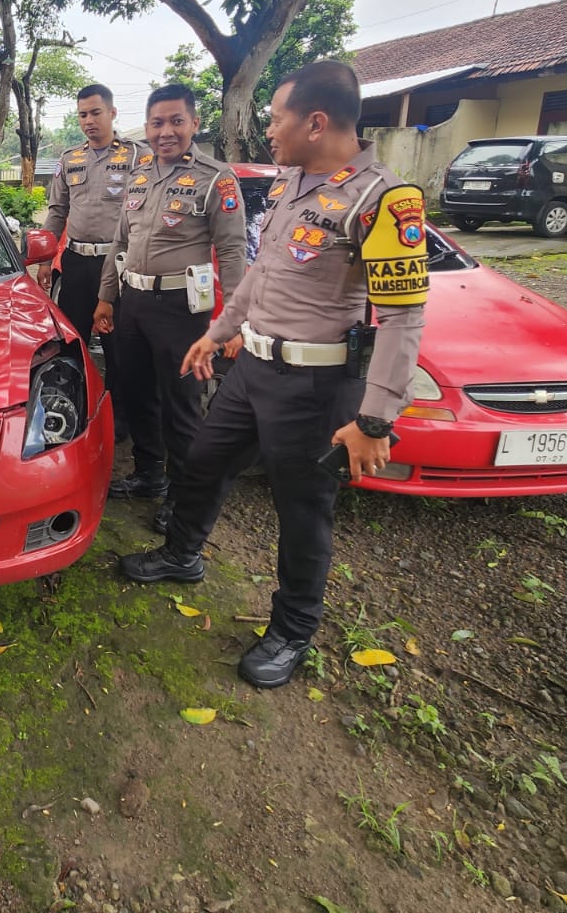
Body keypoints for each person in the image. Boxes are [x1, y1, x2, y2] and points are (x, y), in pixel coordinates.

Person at [118, 60, 429, 691]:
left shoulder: (383, 200)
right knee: (204, 460)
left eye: (276, 117)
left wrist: (374, 420)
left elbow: (403, 319)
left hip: (315, 386)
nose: (268, 128)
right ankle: (182, 554)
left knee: (302, 510)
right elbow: (259, 274)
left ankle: (292, 630)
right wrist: (218, 332)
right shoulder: (293, 184)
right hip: (253, 368)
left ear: (315, 122)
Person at [94, 84, 247, 529]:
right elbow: (120, 242)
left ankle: (183, 498)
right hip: (134, 303)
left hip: (181, 310)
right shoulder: (140, 175)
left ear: (194, 123)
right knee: (138, 392)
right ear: (146, 127)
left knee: (181, 405)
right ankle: (149, 475)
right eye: (157, 123)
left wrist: (233, 321)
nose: (166, 132)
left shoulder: (216, 178)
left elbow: (232, 251)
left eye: (176, 121)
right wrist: (106, 297)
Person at [38, 84, 145, 441]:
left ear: (112, 113)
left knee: (119, 348)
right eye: (83, 114)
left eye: (96, 113)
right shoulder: (70, 159)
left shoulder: (136, 156)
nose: (89, 121)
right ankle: (73, 413)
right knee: (73, 343)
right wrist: (44, 256)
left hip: (117, 264)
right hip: (76, 263)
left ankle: (119, 420)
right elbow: (57, 211)